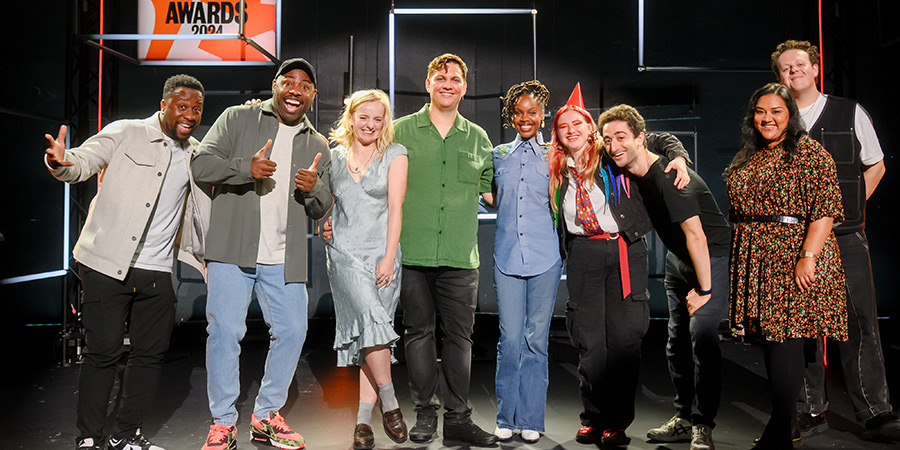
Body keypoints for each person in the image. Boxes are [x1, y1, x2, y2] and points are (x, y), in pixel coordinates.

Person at [44, 74, 209, 450]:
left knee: (150, 357)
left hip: (156, 269)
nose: (189, 115)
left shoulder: (195, 153)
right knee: (102, 353)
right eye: (182, 106)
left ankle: (126, 435)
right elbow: (82, 162)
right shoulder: (126, 132)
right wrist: (60, 161)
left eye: (197, 109)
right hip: (106, 264)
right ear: (164, 103)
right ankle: (89, 437)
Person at [191, 58, 332, 450]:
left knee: (292, 331)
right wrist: (244, 168)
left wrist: (313, 189)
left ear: (313, 96)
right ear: (275, 85)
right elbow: (200, 163)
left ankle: (266, 414)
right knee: (224, 334)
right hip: (233, 251)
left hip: (285, 257)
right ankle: (222, 423)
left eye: (305, 85)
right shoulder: (239, 118)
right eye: (289, 81)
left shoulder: (318, 145)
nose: (296, 90)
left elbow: (322, 207)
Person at [770, 40, 899, 445]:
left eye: (800, 66)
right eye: (785, 69)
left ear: (815, 69)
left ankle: (876, 412)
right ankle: (810, 411)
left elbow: (874, 165)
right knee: (805, 325)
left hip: (843, 236)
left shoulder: (849, 112)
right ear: (779, 76)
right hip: (793, 238)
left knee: (859, 322)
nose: (793, 73)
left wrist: (849, 208)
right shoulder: (775, 118)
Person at [549, 84, 691, 447]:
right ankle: (593, 417)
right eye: (563, 126)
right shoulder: (555, 167)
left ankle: (617, 422)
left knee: (625, 340)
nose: (571, 130)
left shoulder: (609, 153)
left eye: (576, 123)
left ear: (589, 126)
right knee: (590, 340)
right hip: (583, 253)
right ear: (558, 133)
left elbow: (656, 137)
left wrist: (677, 154)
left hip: (625, 250)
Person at [600, 104, 731, 450]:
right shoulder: (632, 164)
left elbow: (697, 235)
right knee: (676, 343)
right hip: (679, 260)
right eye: (608, 139)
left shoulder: (672, 176)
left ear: (640, 139)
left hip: (710, 256)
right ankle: (684, 418)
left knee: (702, 335)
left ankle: (703, 424)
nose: (614, 146)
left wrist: (704, 288)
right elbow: (658, 136)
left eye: (622, 138)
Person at [725, 82, 847, 449]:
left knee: (786, 344)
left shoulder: (810, 153)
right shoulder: (750, 154)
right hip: (757, 256)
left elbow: (825, 211)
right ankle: (788, 423)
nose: (767, 119)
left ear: (790, 115)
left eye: (776, 111)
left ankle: (779, 428)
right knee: (773, 343)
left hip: (792, 255)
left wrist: (808, 257)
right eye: (761, 112)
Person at [393, 53, 497, 447]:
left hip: (459, 256)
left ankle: (458, 418)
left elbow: (492, 191)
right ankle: (424, 415)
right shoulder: (400, 130)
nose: (447, 84)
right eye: (440, 78)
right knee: (417, 334)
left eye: (455, 79)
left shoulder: (478, 137)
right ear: (428, 84)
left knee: (460, 339)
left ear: (464, 87)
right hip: (412, 253)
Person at [324, 89, 409, 450]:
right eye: (364, 117)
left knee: (370, 341)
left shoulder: (395, 154)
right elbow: (327, 204)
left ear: (384, 121)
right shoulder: (333, 156)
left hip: (382, 255)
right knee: (373, 326)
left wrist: (389, 256)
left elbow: (396, 207)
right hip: (344, 255)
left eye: (378, 118)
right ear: (352, 117)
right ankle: (390, 404)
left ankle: (362, 423)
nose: (370, 124)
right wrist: (322, 221)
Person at [489, 80, 561, 444]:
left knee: (537, 340)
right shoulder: (499, 153)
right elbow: (490, 195)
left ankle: (531, 418)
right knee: (510, 339)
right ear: (510, 116)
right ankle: (506, 416)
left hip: (546, 259)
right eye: (518, 112)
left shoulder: (555, 155)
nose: (525, 118)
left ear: (543, 114)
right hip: (506, 259)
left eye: (532, 112)